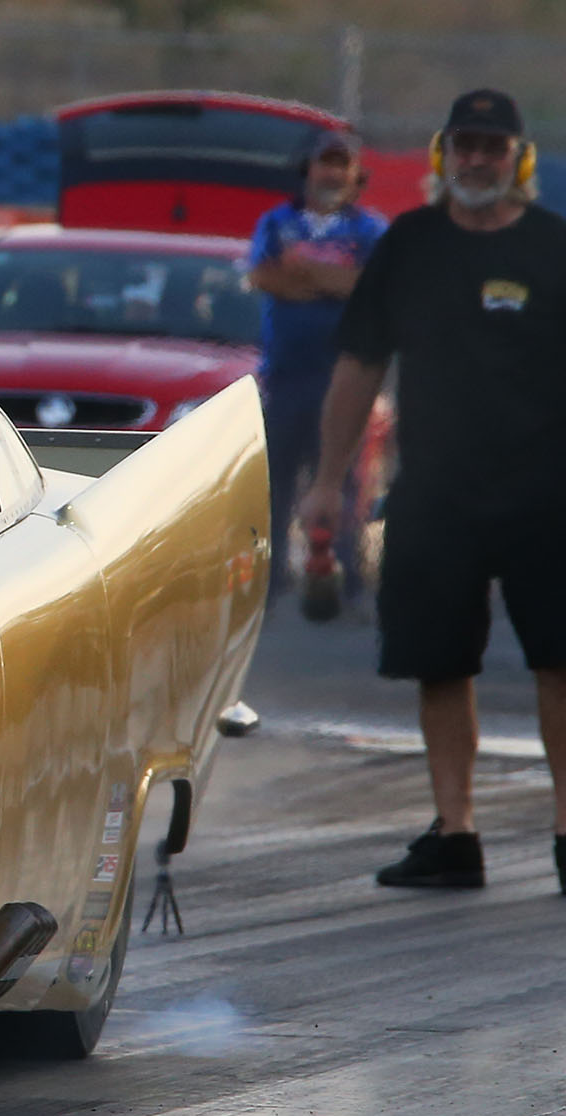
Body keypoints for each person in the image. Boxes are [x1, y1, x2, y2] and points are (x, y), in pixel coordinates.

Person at [301, 89, 566, 891]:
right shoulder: (409, 245)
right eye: (465, 145)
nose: (477, 160)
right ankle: (456, 834)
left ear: (519, 159)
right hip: (437, 495)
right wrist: (328, 481)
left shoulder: (553, 247)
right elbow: (359, 364)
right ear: (443, 154)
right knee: (438, 662)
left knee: (560, 663)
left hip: (547, 496)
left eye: (493, 147)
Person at [244, 128, 385, 599]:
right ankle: (272, 577)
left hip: (345, 375)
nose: (332, 173)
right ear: (308, 169)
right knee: (277, 480)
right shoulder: (277, 222)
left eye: (343, 165)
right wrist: (334, 281)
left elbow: (371, 287)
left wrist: (306, 272)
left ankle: (346, 576)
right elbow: (264, 276)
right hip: (286, 374)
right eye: (326, 163)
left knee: (344, 478)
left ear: (356, 175)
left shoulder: (369, 230)